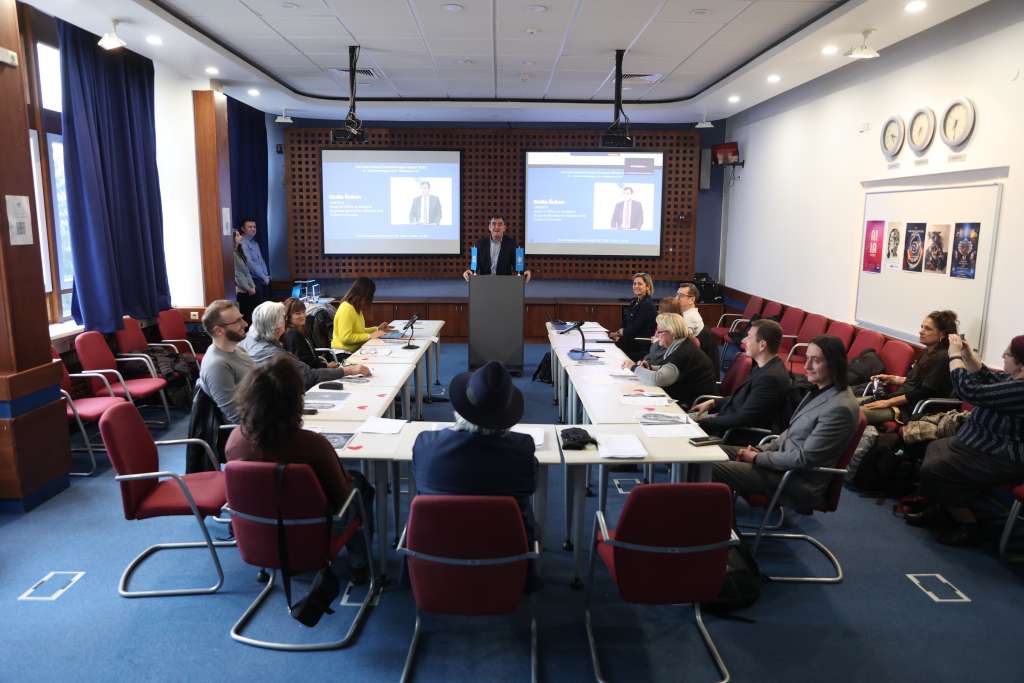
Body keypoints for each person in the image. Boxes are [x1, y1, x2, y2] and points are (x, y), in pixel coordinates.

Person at [225, 357, 375, 582]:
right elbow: (341, 497)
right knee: (360, 485)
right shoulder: (312, 444)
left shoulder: (236, 440)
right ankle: (360, 563)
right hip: (314, 528)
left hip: (259, 528)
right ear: (296, 401)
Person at [412, 361, 540, 585]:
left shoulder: (426, 446)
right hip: (504, 562)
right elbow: (531, 484)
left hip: (435, 557)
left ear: (458, 410)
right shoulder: (522, 451)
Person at [712, 335, 861, 512]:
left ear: (834, 364)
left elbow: (804, 459)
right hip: (779, 463)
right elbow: (791, 432)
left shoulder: (840, 408)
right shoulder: (819, 390)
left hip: (794, 480)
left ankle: (718, 524)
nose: (806, 366)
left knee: (708, 466)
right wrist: (761, 450)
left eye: (815, 360)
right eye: (807, 358)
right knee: (707, 453)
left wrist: (758, 458)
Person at [909, 334, 1024, 546]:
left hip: (1000, 457)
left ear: (1021, 364)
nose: (1002, 356)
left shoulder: (1020, 389)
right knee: (934, 448)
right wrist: (967, 355)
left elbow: (968, 391)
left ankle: (968, 525)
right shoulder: (1013, 379)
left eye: (1008, 354)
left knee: (935, 470)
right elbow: (985, 375)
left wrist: (954, 356)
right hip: (976, 444)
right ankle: (943, 510)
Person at [693, 319, 791, 438]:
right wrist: (713, 402)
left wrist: (701, 424)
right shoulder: (764, 367)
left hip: (735, 435)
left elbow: (744, 419)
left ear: (762, 345)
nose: (743, 340)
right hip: (727, 422)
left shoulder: (771, 378)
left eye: (749, 337)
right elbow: (744, 397)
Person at [241, 301, 370, 390]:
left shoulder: (248, 339)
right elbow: (309, 376)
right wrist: (348, 370)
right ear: (277, 328)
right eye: (283, 318)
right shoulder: (274, 354)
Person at [860, 311, 958, 425]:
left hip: (910, 408)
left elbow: (923, 392)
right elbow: (916, 382)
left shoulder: (943, 357)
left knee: (851, 413)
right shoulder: (928, 351)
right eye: (922, 327)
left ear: (943, 334)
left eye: (928, 329)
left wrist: (888, 402)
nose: (921, 331)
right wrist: (893, 379)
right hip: (900, 401)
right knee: (847, 406)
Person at [622, 312, 717, 407]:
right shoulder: (680, 346)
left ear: (673, 333)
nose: (656, 334)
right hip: (685, 398)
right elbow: (669, 368)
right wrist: (650, 367)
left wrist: (633, 367)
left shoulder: (683, 353)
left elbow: (658, 379)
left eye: (659, 331)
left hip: (695, 406)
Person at [196, 300, 255, 424]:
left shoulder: (238, 349)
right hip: (253, 426)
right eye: (237, 321)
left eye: (241, 318)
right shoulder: (217, 365)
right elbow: (237, 417)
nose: (245, 324)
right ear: (218, 330)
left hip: (261, 409)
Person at [331, 277, 393, 353]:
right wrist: (371, 335)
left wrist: (377, 329)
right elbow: (346, 338)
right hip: (343, 353)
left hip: (354, 350)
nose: (368, 301)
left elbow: (359, 331)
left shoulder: (356, 308)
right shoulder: (346, 308)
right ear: (363, 295)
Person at [462, 215, 532, 282]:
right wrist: (469, 270)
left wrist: (525, 271)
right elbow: (475, 264)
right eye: (494, 224)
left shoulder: (511, 243)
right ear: (489, 227)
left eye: (500, 224)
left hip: (504, 282)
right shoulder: (480, 244)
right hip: (485, 282)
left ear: (504, 228)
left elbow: (517, 263)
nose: (497, 227)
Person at [608, 273, 658, 362]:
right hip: (630, 339)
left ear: (647, 287)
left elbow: (635, 329)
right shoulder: (634, 302)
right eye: (634, 284)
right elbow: (625, 322)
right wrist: (618, 333)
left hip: (639, 344)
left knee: (610, 352)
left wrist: (621, 334)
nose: (636, 286)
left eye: (640, 284)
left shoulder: (647, 305)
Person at [281, 297, 340, 370]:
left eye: (303, 312)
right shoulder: (293, 334)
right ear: (288, 316)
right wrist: (326, 366)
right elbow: (306, 362)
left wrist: (320, 361)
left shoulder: (296, 331)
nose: (303, 316)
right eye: (297, 313)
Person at [238, 218, 271, 306]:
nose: (253, 229)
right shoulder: (242, 243)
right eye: (250, 227)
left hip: (262, 279)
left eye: (254, 227)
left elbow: (261, 261)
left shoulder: (255, 244)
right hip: (252, 280)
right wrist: (263, 277)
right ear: (243, 229)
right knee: (258, 308)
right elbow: (249, 263)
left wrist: (266, 275)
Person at [643, 297, 684, 364]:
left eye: (660, 310)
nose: (658, 312)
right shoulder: (665, 326)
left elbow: (656, 358)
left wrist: (656, 343)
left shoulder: (670, 331)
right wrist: (645, 360)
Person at [233, 229, 257, 321]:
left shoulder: (239, 252)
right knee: (244, 317)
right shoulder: (232, 254)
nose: (241, 237)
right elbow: (238, 274)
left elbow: (247, 272)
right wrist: (248, 288)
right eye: (237, 235)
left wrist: (252, 286)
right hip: (241, 290)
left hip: (247, 289)